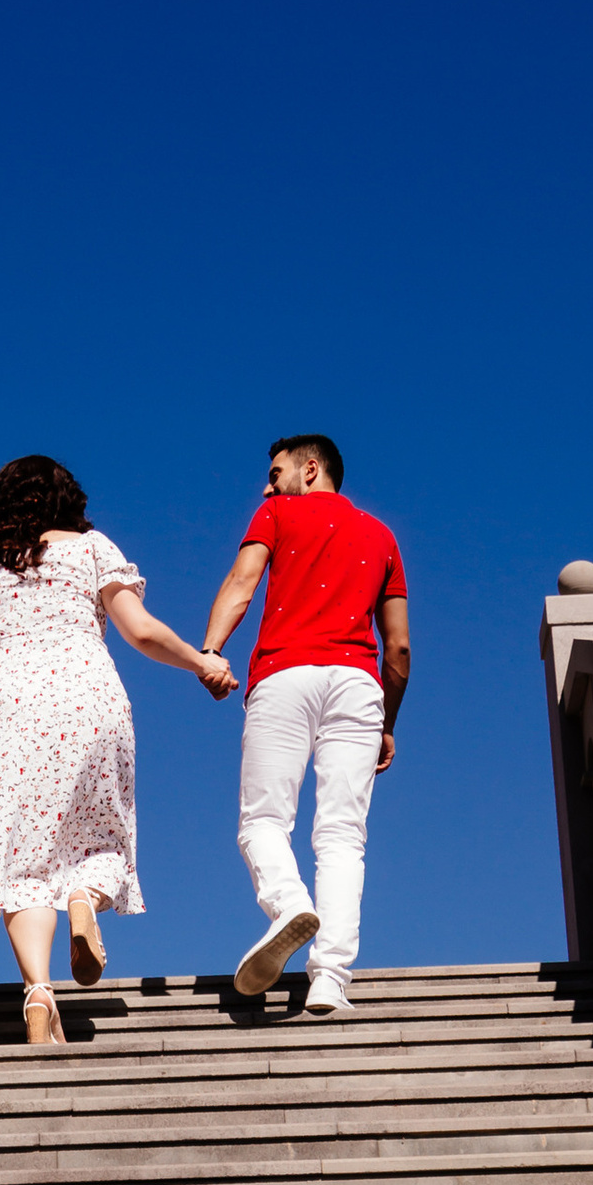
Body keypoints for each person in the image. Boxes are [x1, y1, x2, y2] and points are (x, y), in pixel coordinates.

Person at [0, 453, 235, 1044]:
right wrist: (202, 662)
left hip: (15, 708)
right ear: (69, 500)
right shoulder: (93, 548)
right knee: (99, 832)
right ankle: (84, 897)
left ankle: (38, 993)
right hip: (90, 698)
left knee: (22, 858)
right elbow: (140, 630)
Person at [200, 432, 410, 1012]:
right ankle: (330, 979)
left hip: (284, 675)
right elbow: (398, 649)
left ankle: (289, 904)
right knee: (343, 837)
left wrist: (212, 651)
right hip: (358, 685)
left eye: (276, 472)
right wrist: (386, 722)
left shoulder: (275, 513)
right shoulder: (382, 536)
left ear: (310, 469)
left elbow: (242, 584)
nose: (268, 485)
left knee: (263, 821)